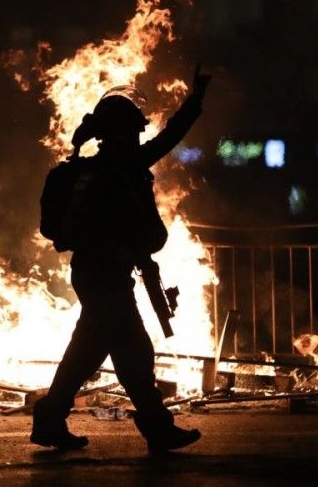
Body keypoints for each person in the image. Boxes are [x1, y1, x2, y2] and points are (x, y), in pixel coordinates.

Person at [31, 64, 211, 453]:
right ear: (117, 133)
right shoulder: (118, 168)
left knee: (89, 351)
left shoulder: (97, 169)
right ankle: (157, 428)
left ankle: (49, 419)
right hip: (104, 274)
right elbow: (170, 139)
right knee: (133, 351)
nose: (139, 134)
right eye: (132, 129)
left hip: (99, 274)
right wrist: (194, 103)